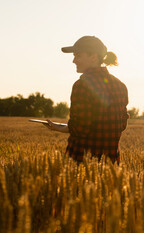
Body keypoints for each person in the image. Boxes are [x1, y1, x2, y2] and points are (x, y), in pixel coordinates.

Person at [45, 36, 129, 165]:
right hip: (111, 163)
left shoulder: (82, 85)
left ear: (94, 57)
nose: (73, 60)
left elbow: (80, 128)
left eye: (78, 56)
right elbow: (121, 124)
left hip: (81, 161)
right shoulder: (120, 85)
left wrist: (63, 128)